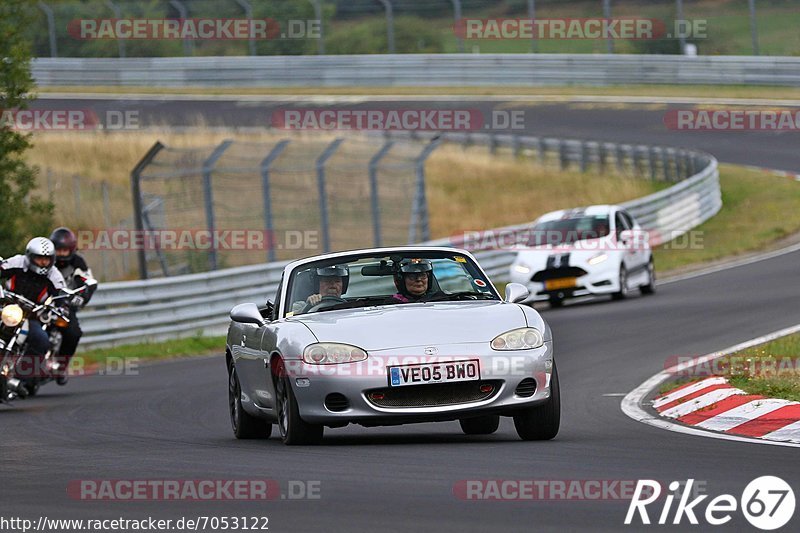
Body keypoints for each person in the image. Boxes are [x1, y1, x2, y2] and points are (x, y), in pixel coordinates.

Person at [0, 237, 66, 391]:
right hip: (7, 308)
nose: (43, 262)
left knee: (41, 339)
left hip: (31, 316)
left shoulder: (54, 275)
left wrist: (63, 307)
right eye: (39, 258)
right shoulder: (17, 262)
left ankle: (20, 380)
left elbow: (61, 295)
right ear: (30, 256)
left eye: (46, 259)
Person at [50, 227, 97, 385]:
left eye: (65, 250)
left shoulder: (78, 262)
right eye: (58, 250)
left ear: (71, 250)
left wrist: (81, 297)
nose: (61, 254)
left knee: (74, 333)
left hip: (65, 304)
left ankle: (61, 367)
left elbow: (88, 281)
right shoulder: (45, 259)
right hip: (42, 301)